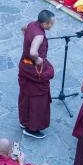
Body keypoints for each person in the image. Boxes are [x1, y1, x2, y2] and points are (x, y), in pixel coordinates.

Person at [19, 10, 55, 139]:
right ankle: (32, 128)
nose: (52, 26)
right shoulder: (39, 36)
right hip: (33, 68)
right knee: (38, 99)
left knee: (26, 94)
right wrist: (38, 59)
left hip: (24, 64)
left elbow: (23, 29)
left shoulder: (31, 25)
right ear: (45, 24)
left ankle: (24, 121)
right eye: (51, 23)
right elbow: (33, 52)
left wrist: (27, 39)